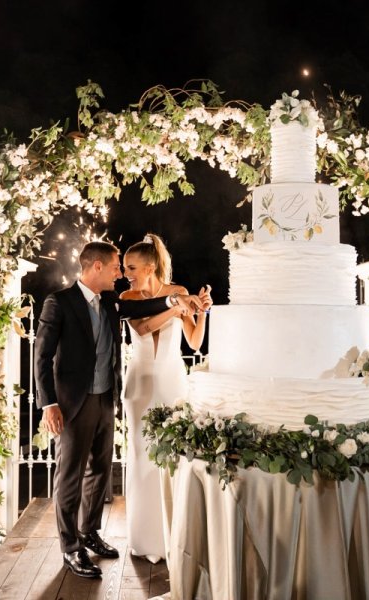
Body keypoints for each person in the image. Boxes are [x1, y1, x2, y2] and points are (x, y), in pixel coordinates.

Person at [33, 240, 203, 579]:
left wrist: (175, 300)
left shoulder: (112, 301)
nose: (120, 275)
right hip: (72, 404)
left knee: (100, 470)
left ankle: (89, 533)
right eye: (115, 268)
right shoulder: (60, 303)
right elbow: (42, 357)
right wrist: (49, 404)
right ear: (96, 267)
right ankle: (70, 549)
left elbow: (145, 310)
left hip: (105, 399)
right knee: (70, 476)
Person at [120, 233, 212, 563]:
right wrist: (176, 309)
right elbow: (143, 329)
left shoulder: (179, 293)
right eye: (124, 267)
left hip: (173, 381)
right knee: (142, 455)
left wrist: (199, 309)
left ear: (150, 266)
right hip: (141, 383)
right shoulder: (127, 296)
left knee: (174, 455)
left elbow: (196, 341)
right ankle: (145, 539)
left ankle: (176, 536)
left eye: (130, 267)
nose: (125, 272)